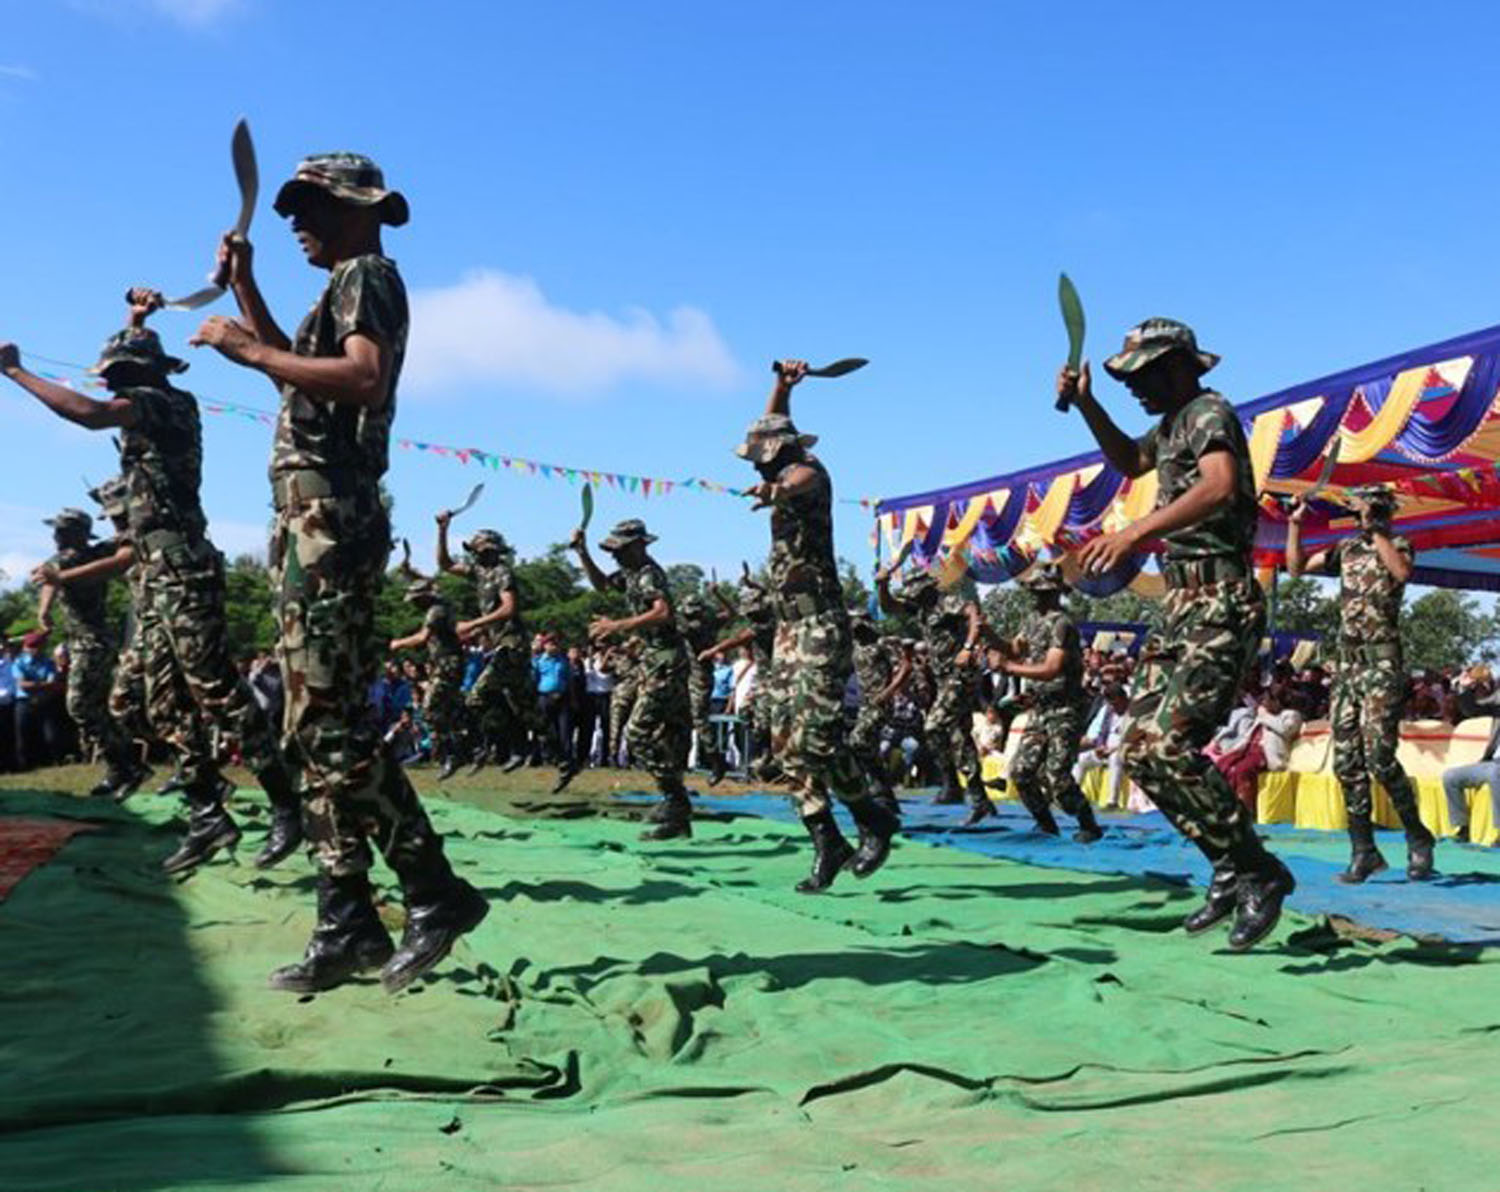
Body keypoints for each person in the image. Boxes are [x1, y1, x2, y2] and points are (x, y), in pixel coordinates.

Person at [191, 151, 486, 993]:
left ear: (361, 207)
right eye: (289, 208)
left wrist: (243, 351)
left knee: (326, 721)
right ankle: (345, 916)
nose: (295, 222)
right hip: (311, 519)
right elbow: (303, 379)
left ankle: (431, 890)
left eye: (310, 205)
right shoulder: (343, 282)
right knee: (306, 721)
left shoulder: (367, 274)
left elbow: (358, 379)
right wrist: (245, 295)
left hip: (333, 517)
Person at [2, 294, 303, 873]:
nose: (111, 384)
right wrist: (135, 323)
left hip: (183, 566)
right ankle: (207, 812)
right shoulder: (147, 396)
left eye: (117, 375)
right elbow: (125, 371)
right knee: (153, 703)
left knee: (215, 689)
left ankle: (286, 802)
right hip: (156, 573)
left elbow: (90, 414)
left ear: (136, 376)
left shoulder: (161, 403)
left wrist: (15, 371)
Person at [1060, 317, 1294, 950]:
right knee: (1137, 749)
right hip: (1182, 603)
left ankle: (1259, 871)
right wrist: (1087, 404)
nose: (1134, 387)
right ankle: (1228, 864)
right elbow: (1129, 461)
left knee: (1169, 748)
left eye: (1142, 374)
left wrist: (1135, 532)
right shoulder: (1169, 428)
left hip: (1220, 601)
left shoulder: (1208, 411)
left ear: (1181, 366)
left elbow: (1219, 488)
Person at [737, 360, 898, 890]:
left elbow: (794, 477)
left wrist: (774, 492)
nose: (757, 470)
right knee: (783, 746)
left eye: (764, 461)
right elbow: (773, 430)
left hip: (820, 628)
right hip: (786, 632)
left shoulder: (809, 474)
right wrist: (783, 386)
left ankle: (872, 817)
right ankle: (826, 839)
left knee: (818, 741)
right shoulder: (780, 457)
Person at [1287, 485, 1435, 882]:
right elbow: (1297, 567)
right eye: (1362, 511)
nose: (1365, 516)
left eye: (1372, 510)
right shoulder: (1345, 549)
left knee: (1381, 759)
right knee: (1346, 762)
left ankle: (1418, 836)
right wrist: (1295, 527)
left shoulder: (1398, 544)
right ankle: (1363, 850)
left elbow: (1402, 573)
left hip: (1383, 665)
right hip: (1348, 668)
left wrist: (1377, 533)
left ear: (1385, 512)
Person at [571, 519, 693, 838]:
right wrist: (582, 552)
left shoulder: (649, 573)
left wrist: (618, 626)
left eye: (620, 551)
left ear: (639, 546)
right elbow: (601, 584)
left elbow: (664, 612)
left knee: (638, 733)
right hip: (657, 661)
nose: (615, 557)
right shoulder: (631, 574)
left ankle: (676, 800)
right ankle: (677, 820)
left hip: (665, 661)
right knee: (672, 735)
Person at [30, 506, 145, 798]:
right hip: (83, 642)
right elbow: (49, 580)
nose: (56, 535)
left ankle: (124, 765)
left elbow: (54, 576)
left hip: (93, 642)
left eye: (63, 530)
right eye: (57, 530)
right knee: (92, 708)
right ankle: (125, 765)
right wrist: (44, 610)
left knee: (81, 705)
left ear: (78, 534)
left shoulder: (88, 555)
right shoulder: (71, 558)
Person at [991, 562, 1103, 842]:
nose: (1038, 597)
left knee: (1057, 776)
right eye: (1035, 592)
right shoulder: (1031, 620)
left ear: (1055, 593)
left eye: (1043, 592)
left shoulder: (1061, 624)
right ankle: (1045, 823)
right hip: (1041, 708)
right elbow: (1016, 649)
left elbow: (1051, 668)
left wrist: (1009, 668)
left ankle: (1088, 824)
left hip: (1065, 708)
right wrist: (988, 635)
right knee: (1021, 771)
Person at [876, 567, 992, 823]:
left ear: (927, 588)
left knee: (934, 727)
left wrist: (968, 647)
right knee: (961, 738)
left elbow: (974, 613)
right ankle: (980, 799)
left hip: (959, 677)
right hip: (943, 680)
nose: (913, 597)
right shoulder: (920, 608)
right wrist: (882, 586)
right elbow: (889, 607)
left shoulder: (945, 602)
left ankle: (952, 784)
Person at [437, 520, 536, 775]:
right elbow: (445, 564)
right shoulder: (480, 572)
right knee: (510, 701)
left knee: (477, 697)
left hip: (512, 644)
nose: (474, 554)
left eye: (477, 549)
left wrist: (473, 623)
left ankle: (493, 748)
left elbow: (509, 608)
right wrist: (443, 529)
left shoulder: (502, 572)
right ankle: (523, 748)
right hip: (500, 645)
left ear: (489, 550)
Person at [389, 576, 468, 780]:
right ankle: (456, 748)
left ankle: (451, 754)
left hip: (447, 665)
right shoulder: (441, 605)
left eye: (416, 600)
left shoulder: (436, 611)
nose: (414, 604)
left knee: (430, 708)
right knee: (443, 709)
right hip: (445, 665)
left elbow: (422, 637)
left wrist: (399, 643)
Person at [847, 608, 911, 811]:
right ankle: (885, 795)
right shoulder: (854, 645)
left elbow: (905, 666)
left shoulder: (882, 643)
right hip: (863, 703)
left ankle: (878, 787)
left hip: (881, 702)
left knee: (858, 740)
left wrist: (889, 692)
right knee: (868, 746)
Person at [676, 592, 729, 784]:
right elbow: (731, 613)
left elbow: (672, 622)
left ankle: (717, 761)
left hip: (699, 676)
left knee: (699, 719)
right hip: (686, 674)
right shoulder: (711, 621)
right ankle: (681, 761)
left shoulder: (695, 626)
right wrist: (717, 595)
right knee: (682, 719)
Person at [1442, 671, 1500, 844]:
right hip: (1493, 762)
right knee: (1450, 777)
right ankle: (1463, 827)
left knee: (1496, 775)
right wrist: (1465, 689)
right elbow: (1473, 709)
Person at [1075, 683, 1131, 810]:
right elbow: (1099, 733)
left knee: (1115, 758)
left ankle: (1112, 801)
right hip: (1104, 749)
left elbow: (1132, 738)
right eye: (1111, 703)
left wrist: (1114, 749)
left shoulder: (1133, 712)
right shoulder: (1107, 711)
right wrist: (1099, 747)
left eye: (1116, 703)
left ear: (1124, 699)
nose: (1114, 706)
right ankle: (1072, 798)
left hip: (1123, 751)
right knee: (1081, 759)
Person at [12, 632, 62, 770]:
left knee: (51, 736)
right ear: (25, 647)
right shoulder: (18, 662)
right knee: (23, 737)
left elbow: (52, 683)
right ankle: (24, 767)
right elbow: (22, 685)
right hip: (24, 703)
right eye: (30, 646)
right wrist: (43, 684)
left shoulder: (49, 663)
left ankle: (55, 763)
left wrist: (34, 685)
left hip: (44, 702)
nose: (34, 649)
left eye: (36, 646)